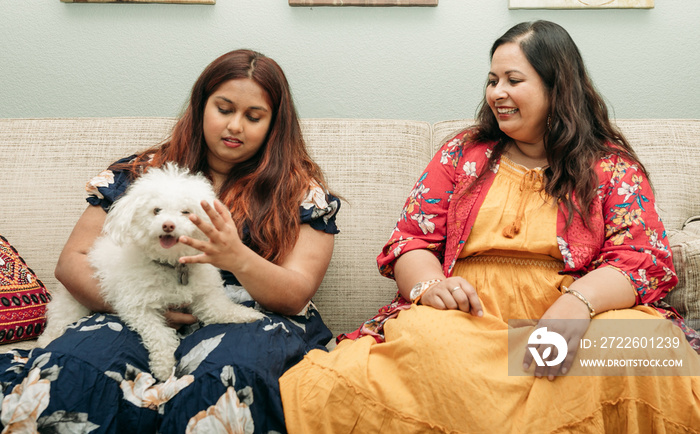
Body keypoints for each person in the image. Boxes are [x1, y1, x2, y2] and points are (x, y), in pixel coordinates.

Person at [279, 21, 700, 432]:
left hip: (574, 313)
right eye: (492, 79)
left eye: (513, 80)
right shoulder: (461, 154)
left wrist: (577, 306)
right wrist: (429, 286)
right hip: (469, 321)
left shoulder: (610, 166)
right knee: (425, 337)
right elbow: (410, 241)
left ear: (558, 89)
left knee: (643, 343)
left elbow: (640, 260)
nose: (497, 93)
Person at [0, 49, 340, 433]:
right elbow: (73, 260)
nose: (235, 126)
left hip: (246, 319)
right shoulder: (140, 173)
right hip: (125, 307)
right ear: (200, 107)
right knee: (76, 372)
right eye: (224, 109)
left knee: (228, 380)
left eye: (254, 116)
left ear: (274, 124)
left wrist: (236, 258)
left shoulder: (299, 193)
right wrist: (141, 307)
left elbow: (295, 293)